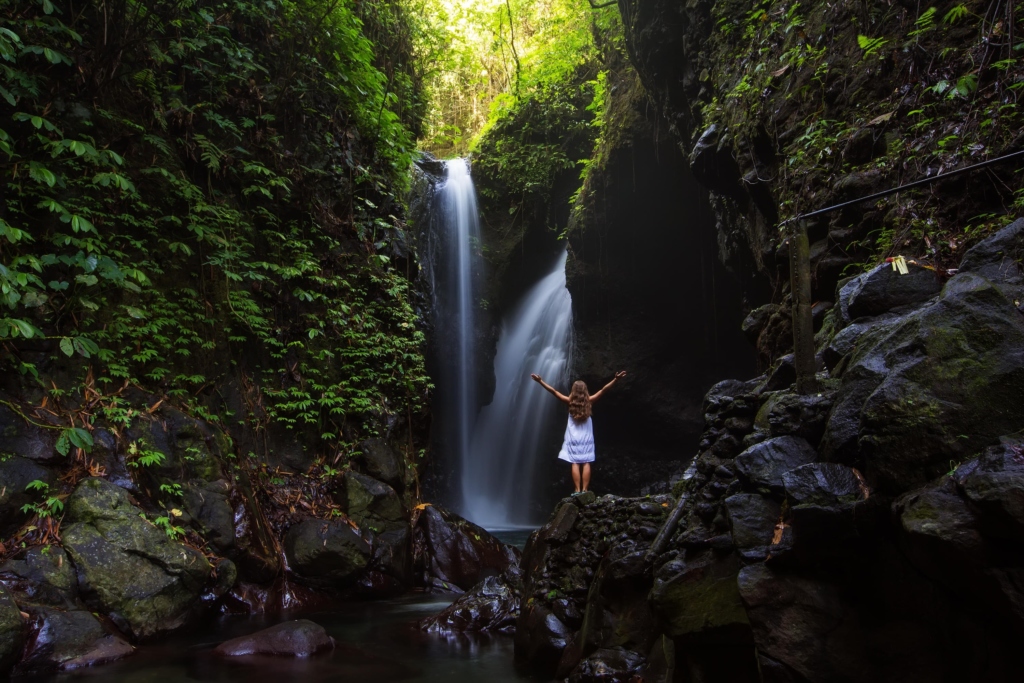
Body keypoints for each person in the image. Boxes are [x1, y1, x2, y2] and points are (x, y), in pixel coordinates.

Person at [530, 370, 626, 494]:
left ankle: (577, 489)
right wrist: (616, 380)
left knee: (574, 462)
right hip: (586, 437)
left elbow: (554, 391)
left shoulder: (569, 402)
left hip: (573, 437)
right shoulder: (590, 401)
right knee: (586, 462)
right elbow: (603, 390)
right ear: (585, 391)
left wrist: (540, 381)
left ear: (573, 391)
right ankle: (585, 490)